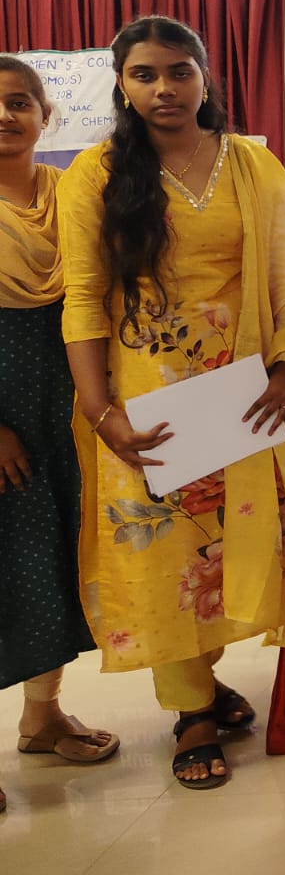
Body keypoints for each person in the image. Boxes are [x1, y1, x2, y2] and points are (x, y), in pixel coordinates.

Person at [57, 16, 285, 791]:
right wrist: (101, 412)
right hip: (149, 402)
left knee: (244, 542)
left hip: (244, 393)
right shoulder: (95, 173)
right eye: (144, 74)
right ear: (122, 84)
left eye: (179, 71)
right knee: (167, 559)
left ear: (205, 77)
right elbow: (83, 297)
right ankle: (191, 711)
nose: (164, 88)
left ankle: (208, 680)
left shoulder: (250, 162)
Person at [0, 57, 119, 814]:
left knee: (53, 561)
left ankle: (42, 716)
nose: (5, 116)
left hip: (66, 406)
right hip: (2, 420)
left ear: (47, 115)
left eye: (20, 102)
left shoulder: (68, 193)